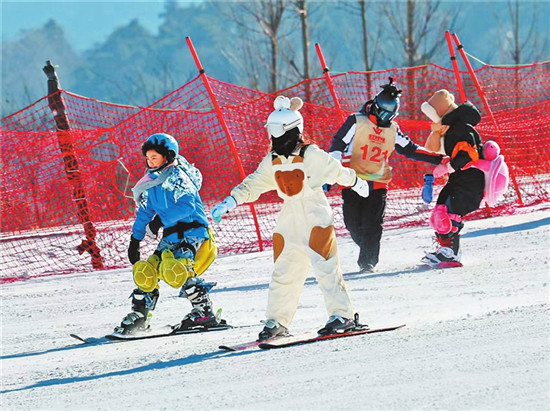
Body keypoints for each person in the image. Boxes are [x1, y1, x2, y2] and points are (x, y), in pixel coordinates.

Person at [211, 95, 370, 341]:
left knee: (326, 267)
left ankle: (342, 316)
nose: (275, 139)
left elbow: (335, 170)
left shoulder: (312, 154)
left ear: (293, 131)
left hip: (315, 214)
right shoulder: (273, 161)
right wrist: (231, 201)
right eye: (272, 134)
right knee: (284, 272)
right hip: (288, 220)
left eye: (278, 133)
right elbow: (254, 183)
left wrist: (357, 182)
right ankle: (277, 321)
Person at [328, 78, 449, 273]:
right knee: (353, 224)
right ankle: (366, 247)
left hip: (378, 183)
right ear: (375, 107)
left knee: (373, 224)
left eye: (389, 115)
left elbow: (410, 149)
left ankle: (367, 262)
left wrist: (439, 158)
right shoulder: (356, 121)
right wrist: (329, 173)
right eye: (382, 113)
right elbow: (337, 144)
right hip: (352, 181)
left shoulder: (393, 129)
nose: (385, 119)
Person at [115, 133, 219, 335]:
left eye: (154, 157)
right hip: (171, 235)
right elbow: (145, 211)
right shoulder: (152, 182)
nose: (150, 162)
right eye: (147, 158)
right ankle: (140, 316)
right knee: (149, 270)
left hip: (193, 233)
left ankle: (204, 311)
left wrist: (160, 220)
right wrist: (135, 240)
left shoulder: (178, 176)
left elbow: (187, 206)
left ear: (168, 156)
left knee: (179, 268)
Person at [420, 89, 485, 267]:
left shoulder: (461, 129)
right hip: (460, 178)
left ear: (441, 112)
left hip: (470, 180)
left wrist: (447, 166)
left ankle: (451, 253)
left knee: (451, 212)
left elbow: (468, 153)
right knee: (441, 209)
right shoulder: (451, 129)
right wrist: (446, 165)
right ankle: (445, 248)